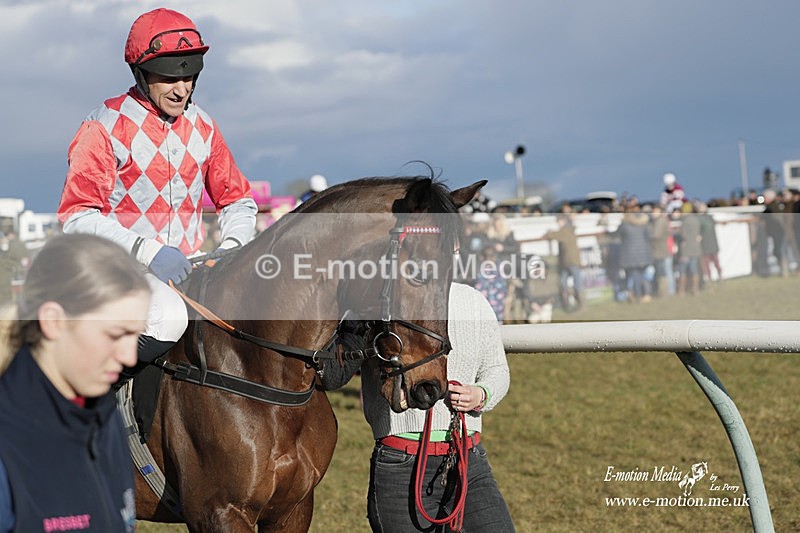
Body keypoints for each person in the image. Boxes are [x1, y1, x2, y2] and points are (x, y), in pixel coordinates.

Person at [56, 8, 257, 374]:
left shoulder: (203, 124)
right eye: (169, 78)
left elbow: (238, 200)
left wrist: (232, 248)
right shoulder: (103, 125)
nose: (183, 90)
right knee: (166, 317)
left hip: (187, 269)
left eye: (190, 76)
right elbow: (76, 217)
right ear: (140, 73)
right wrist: (147, 252)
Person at [322, 283, 515, 532]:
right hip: (401, 464)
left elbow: (497, 369)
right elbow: (334, 372)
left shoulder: (473, 300)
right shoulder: (378, 298)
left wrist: (481, 394)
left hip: (468, 458)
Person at [0, 234, 151, 532]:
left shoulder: (105, 416)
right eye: (115, 334)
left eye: (136, 335)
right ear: (54, 321)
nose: (130, 356)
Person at [542, 214, 584, 311]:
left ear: (563, 221)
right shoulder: (568, 230)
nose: (558, 224)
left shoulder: (566, 231)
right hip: (567, 262)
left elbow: (552, 235)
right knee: (564, 282)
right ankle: (568, 304)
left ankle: (578, 304)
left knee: (574, 282)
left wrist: (549, 232)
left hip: (571, 261)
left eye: (559, 221)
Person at [616, 205, 654, 303]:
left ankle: (638, 295)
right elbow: (649, 236)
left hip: (630, 255)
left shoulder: (625, 225)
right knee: (643, 276)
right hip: (644, 254)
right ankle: (647, 294)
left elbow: (617, 234)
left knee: (634, 276)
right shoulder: (644, 224)